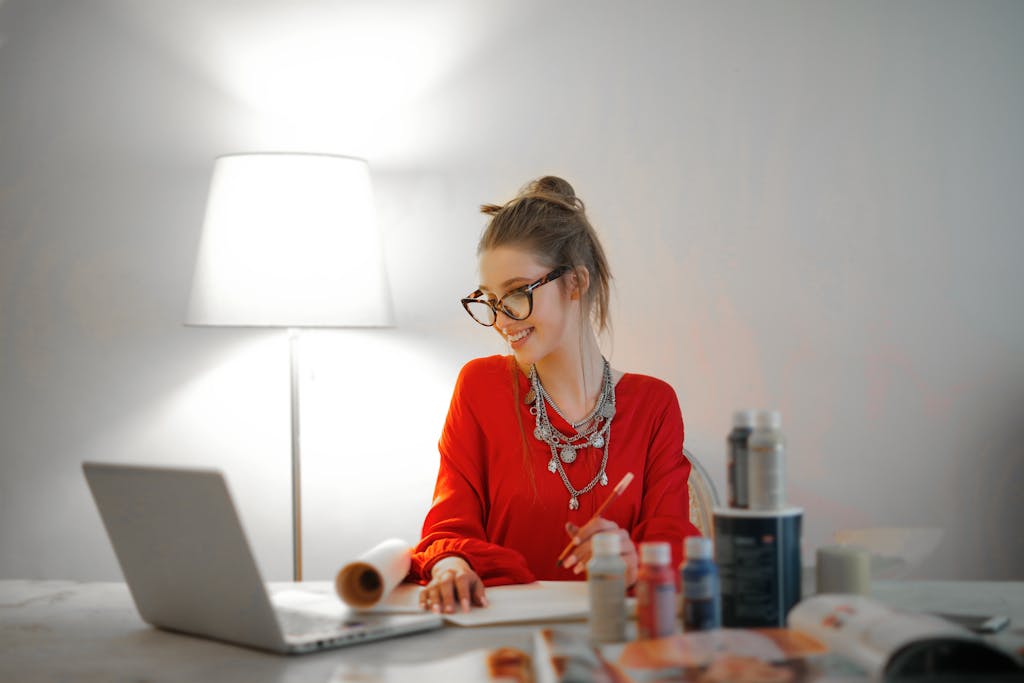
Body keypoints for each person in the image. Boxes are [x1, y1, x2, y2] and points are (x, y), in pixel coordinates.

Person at [409, 176, 700, 614]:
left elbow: (674, 541)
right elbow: (448, 526)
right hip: (502, 642)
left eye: (518, 293)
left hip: (614, 641)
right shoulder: (480, 387)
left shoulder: (653, 404)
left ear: (576, 283)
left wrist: (633, 558)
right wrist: (450, 566)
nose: (503, 320)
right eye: (490, 298)